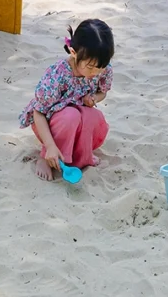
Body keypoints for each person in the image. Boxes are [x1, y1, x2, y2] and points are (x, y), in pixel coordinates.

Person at [20, 19, 114, 181]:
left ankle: (81, 158)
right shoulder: (58, 75)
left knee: (93, 116)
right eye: (90, 67)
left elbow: (102, 92)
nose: (96, 72)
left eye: (101, 67)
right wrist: (50, 146)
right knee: (71, 115)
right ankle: (45, 158)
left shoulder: (101, 68)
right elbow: (38, 112)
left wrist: (94, 98)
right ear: (73, 52)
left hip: (78, 118)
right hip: (50, 123)